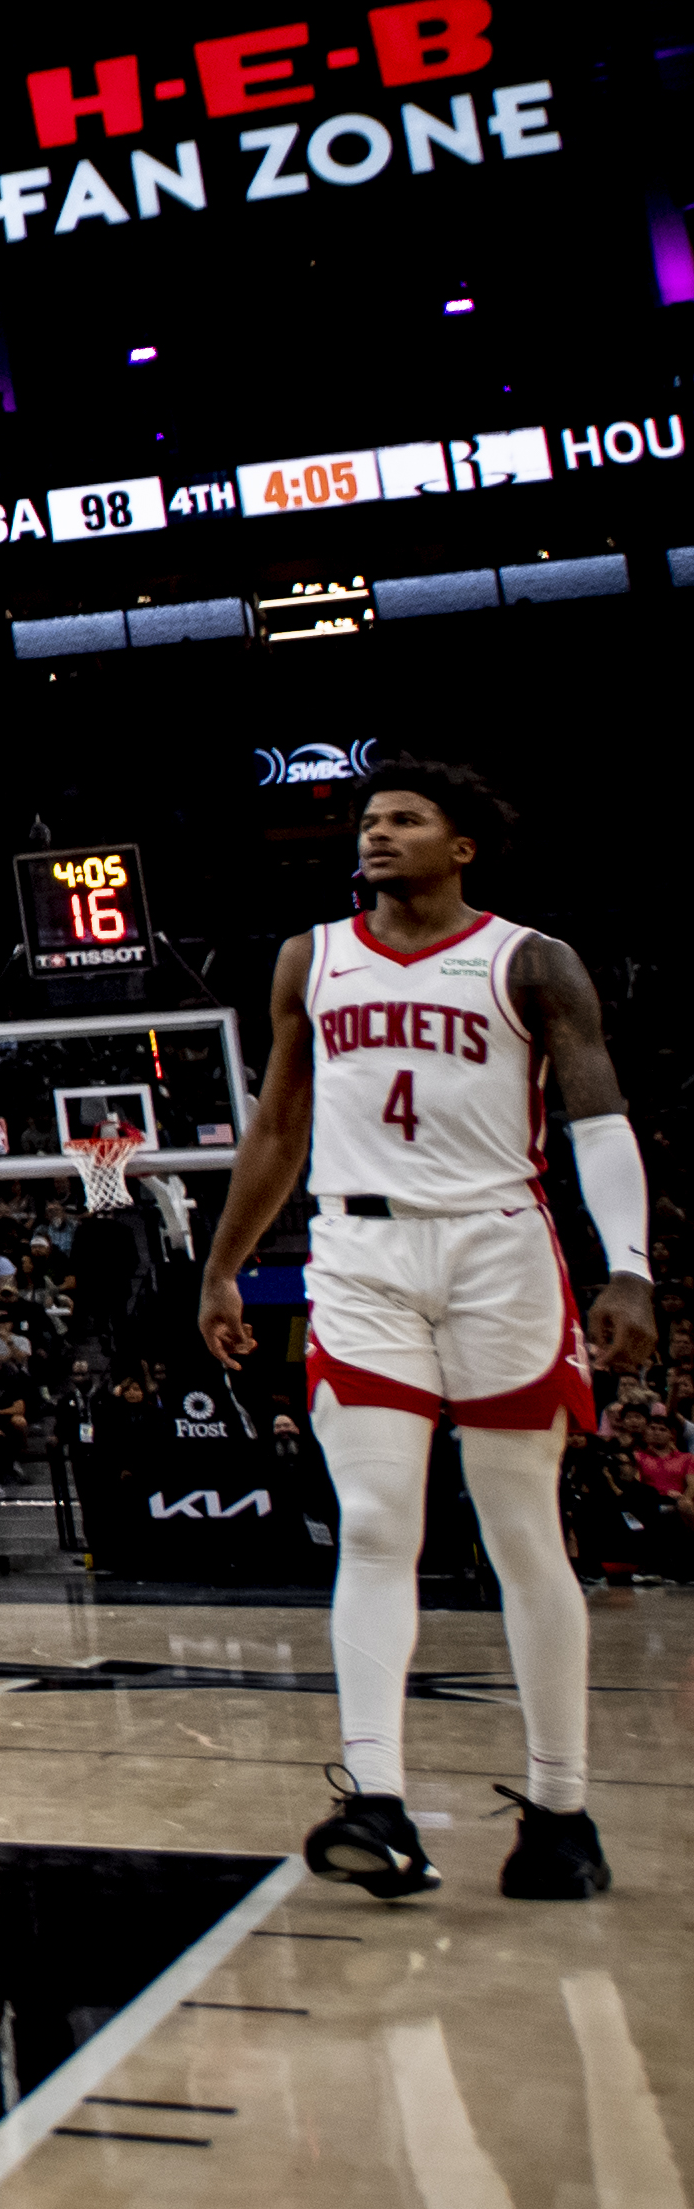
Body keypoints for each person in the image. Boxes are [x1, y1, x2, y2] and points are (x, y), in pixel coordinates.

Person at [198, 761, 655, 1902]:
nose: (379, 833)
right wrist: (224, 1265)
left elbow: (597, 1117)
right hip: (357, 1254)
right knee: (375, 1521)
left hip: (500, 1244)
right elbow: (278, 1124)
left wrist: (630, 1267)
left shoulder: (529, 959)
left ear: (465, 847)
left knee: (520, 1531)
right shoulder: (313, 955)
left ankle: (560, 1807)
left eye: (407, 819)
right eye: (368, 820)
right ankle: (375, 1799)